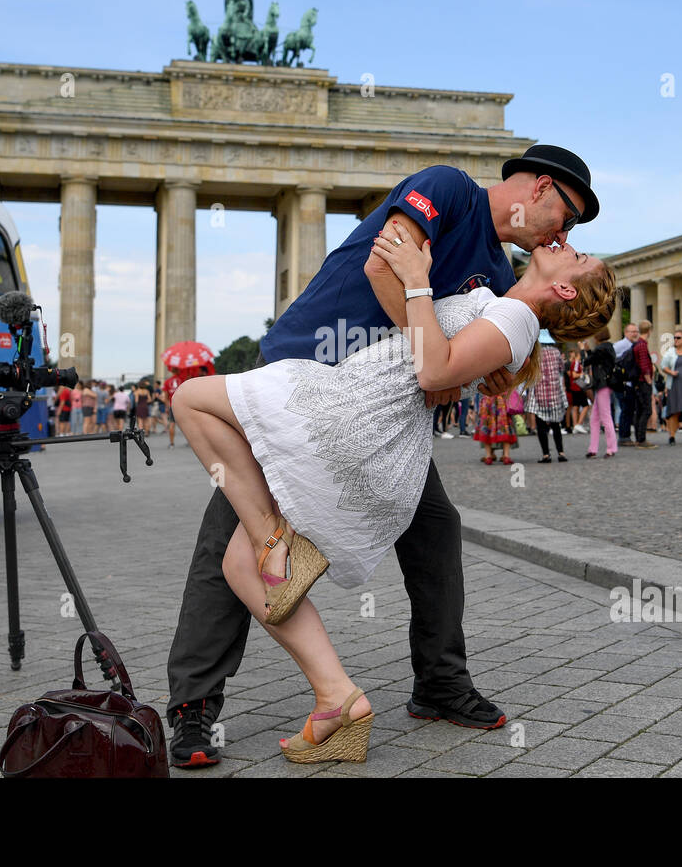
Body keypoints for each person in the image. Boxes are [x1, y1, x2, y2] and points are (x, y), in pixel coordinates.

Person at [164, 145, 603, 767]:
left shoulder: (503, 272)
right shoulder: (448, 189)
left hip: (377, 420)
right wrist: (435, 364)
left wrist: (447, 367)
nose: (567, 229)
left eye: (576, 228)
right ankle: (194, 706)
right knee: (228, 536)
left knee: (435, 527)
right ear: (535, 187)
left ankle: (439, 682)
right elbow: (380, 269)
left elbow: (485, 361)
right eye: (568, 211)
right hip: (308, 372)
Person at [527, 340, 569, 462]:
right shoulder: (556, 352)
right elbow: (562, 368)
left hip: (540, 394)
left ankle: (546, 454)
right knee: (556, 425)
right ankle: (561, 452)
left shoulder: (534, 354)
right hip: (555, 393)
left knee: (541, 427)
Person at [583, 328, 617, 457]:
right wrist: (588, 351)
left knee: (605, 416)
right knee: (595, 418)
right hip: (605, 384)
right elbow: (595, 358)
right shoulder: (608, 347)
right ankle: (593, 448)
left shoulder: (601, 349)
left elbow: (586, 362)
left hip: (602, 384)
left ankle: (611, 447)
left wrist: (583, 350)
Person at [566, 348, 589, 432]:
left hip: (574, 387)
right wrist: (582, 374)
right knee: (586, 406)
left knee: (575, 406)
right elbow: (574, 375)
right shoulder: (576, 363)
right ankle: (579, 423)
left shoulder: (575, 363)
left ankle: (575, 425)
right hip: (578, 387)